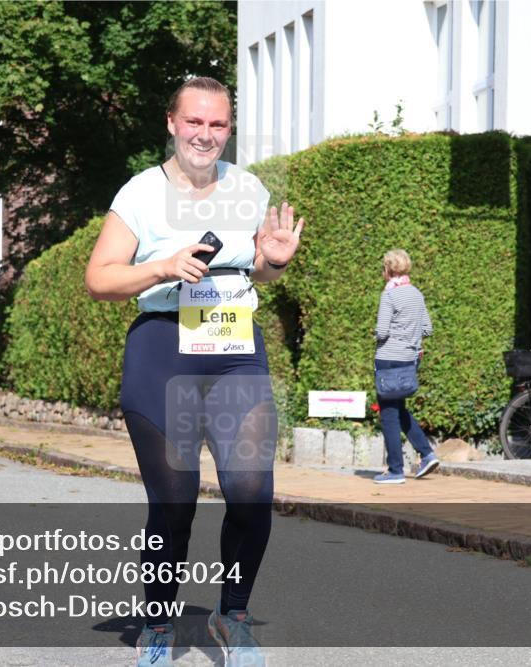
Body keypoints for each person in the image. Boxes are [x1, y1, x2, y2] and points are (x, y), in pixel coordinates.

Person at [85, 76, 304, 667]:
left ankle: (231, 617)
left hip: (234, 352)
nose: (206, 135)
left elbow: (260, 267)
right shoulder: (140, 193)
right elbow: (100, 277)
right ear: (172, 123)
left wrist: (273, 263)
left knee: (253, 492)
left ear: (228, 130)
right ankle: (159, 621)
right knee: (175, 502)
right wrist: (160, 267)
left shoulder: (248, 187)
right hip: (163, 351)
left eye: (218, 125)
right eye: (195, 122)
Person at [373, 249, 438, 483]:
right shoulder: (417, 294)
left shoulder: (389, 296)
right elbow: (428, 328)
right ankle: (427, 453)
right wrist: (409, 337)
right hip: (410, 359)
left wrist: (379, 337)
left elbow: (382, 331)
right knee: (399, 409)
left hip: (389, 358)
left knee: (389, 415)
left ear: (388, 270)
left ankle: (395, 470)